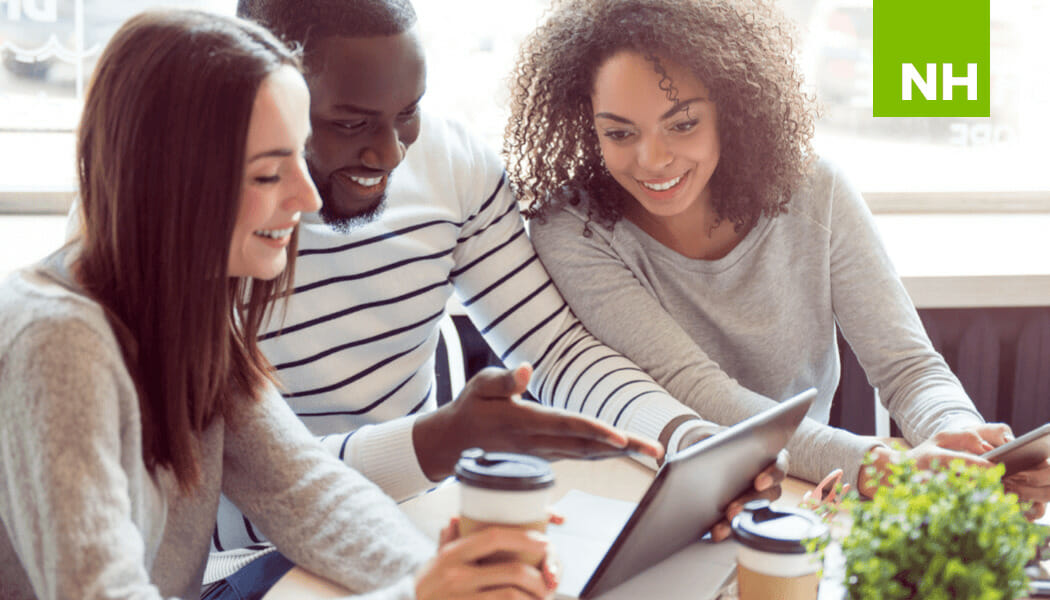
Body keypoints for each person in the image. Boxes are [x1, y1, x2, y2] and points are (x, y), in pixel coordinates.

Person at [202, 0, 787, 591]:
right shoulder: (201, 223)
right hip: (254, 560)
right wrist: (438, 442)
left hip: (417, 522)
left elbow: (555, 350)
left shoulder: (456, 168)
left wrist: (685, 442)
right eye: (348, 123)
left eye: (409, 112)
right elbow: (251, 489)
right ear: (268, 92)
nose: (390, 154)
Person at [0, 10, 560, 599]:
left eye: (300, 154)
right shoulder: (57, 344)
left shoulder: (185, 309)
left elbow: (307, 492)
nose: (307, 195)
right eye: (270, 175)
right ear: (175, 181)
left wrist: (450, 578)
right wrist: (418, 594)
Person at [506, 0, 1050, 512]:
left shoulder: (817, 192)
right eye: (619, 133)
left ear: (734, 108)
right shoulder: (572, 227)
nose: (652, 160)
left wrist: (965, 443)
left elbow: (908, 367)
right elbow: (698, 390)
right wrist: (880, 466)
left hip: (795, 493)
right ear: (586, 123)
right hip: (632, 502)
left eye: (683, 123)